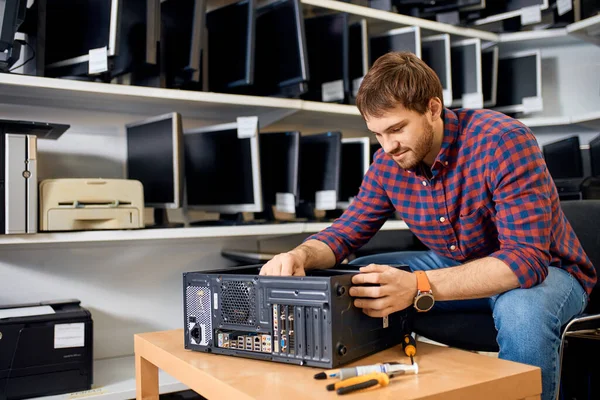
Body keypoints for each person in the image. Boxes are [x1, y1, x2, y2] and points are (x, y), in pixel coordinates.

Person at [259, 51, 596, 400]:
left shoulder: (503, 141)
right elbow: (345, 233)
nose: (388, 146)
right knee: (362, 279)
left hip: (549, 272)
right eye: (377, 134)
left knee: (521, 313)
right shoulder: (388, 162)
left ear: (433, 108)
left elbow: (526, 261)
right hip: (459, 264)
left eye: (396, 129)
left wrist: (418, 285)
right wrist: (299, 255)